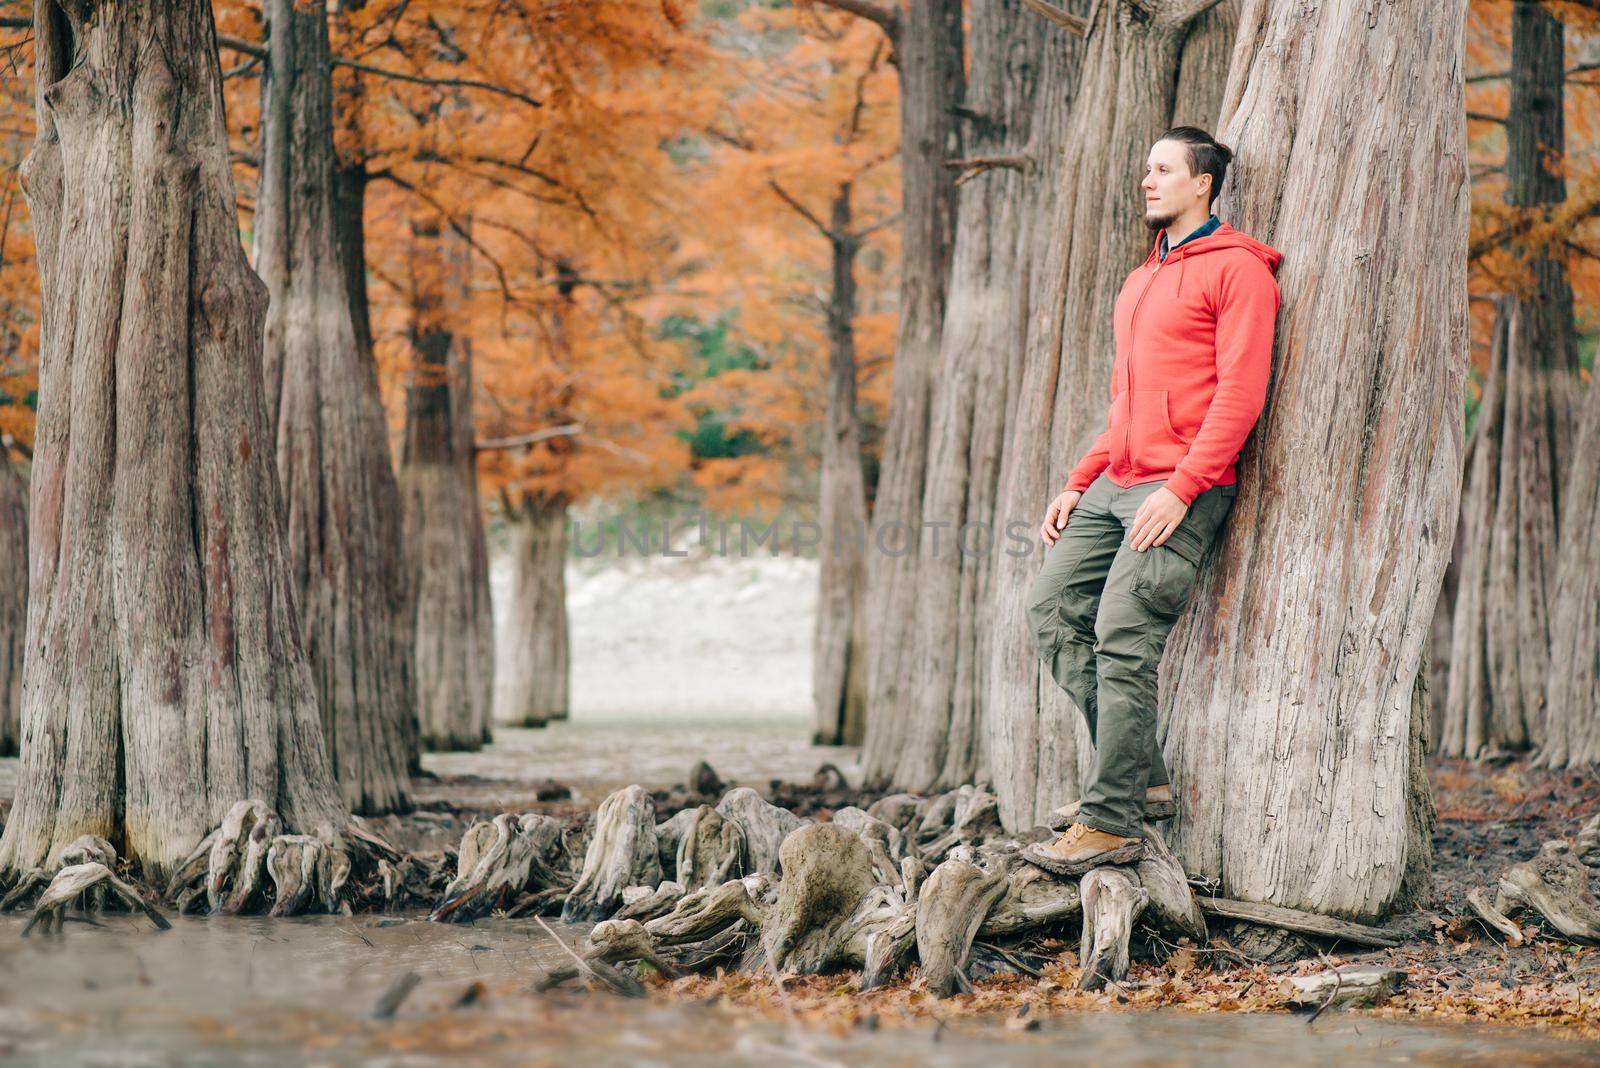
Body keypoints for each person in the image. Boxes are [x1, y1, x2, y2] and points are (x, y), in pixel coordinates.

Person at [1020, 127, 1282, 878]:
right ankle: (1143, 777)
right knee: (1050, 610)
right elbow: (1123, 402)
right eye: (1146, 169)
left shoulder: (1239, 272)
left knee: (1122, 636)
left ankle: (1110, 822)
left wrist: (1183, 486)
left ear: (1203, 184)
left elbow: (1241, 394)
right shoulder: (1142, 278)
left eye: (1163, 170)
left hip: (1179, 487)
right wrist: (1079, 479)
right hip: (1116, 481)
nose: (1148, 180)